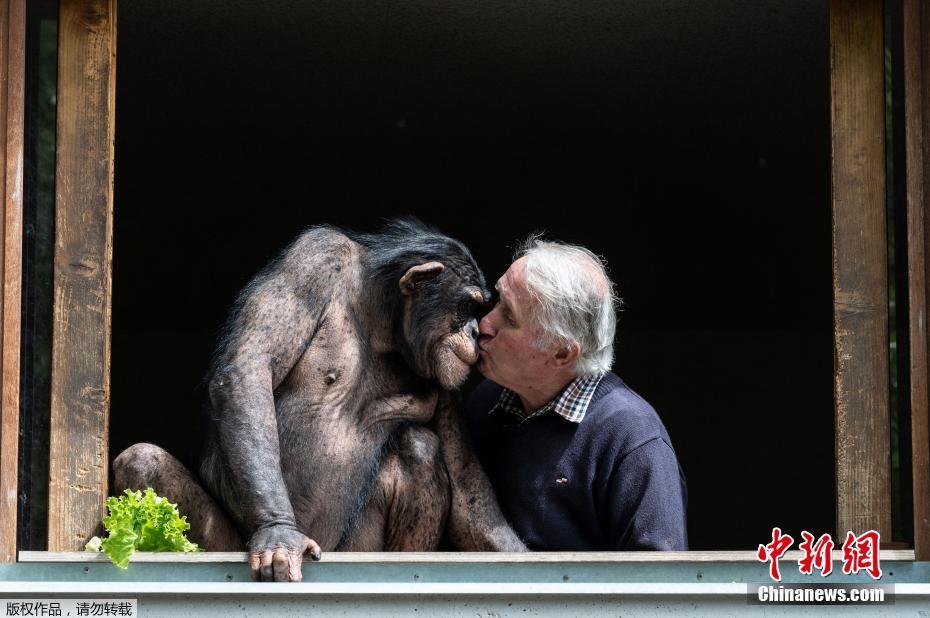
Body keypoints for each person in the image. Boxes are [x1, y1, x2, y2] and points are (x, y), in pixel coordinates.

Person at [467, 236, 688, 551]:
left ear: (561, 354)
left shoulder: (632, 438)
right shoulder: (486, 402)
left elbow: (660, 587)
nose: (484, 323)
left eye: (509, 316)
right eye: (498, 300)